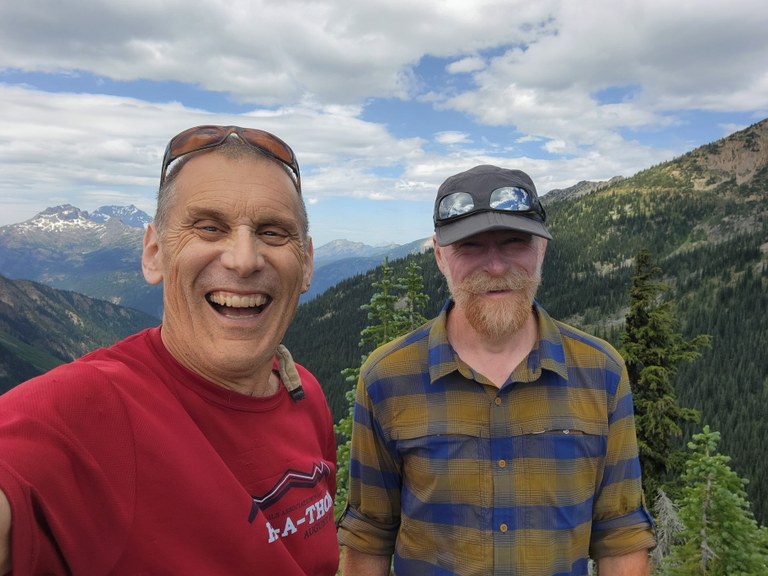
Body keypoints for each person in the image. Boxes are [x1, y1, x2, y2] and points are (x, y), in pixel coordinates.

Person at [0, 125, 339, 575]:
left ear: (307, 263)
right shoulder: (85, 407)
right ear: (154, 253)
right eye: (208, 227)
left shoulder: (306, 394)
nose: (243, 259)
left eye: (273, 232)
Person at [337, 165, 656, 575]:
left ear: (541, 249)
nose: (497, 266)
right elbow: (369, 536)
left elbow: (621, 534)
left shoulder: (602, 373)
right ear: (439, 256)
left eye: (514, 242)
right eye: (470, 246)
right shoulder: (386, 377)